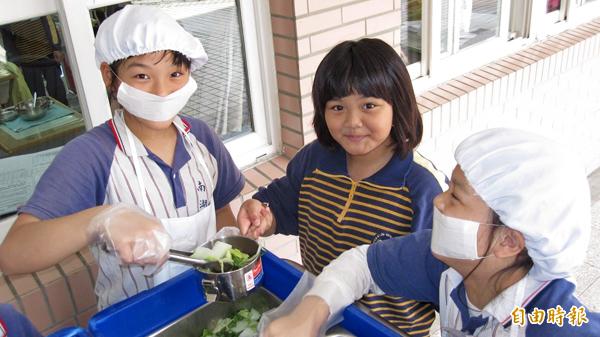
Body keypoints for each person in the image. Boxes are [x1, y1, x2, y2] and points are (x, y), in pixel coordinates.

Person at [0, 5, 244, 309]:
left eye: (175, 74)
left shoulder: (202, 138)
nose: (162, 91)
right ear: (109, 75)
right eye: (142, 76)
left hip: (207, 306)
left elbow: (221, 209)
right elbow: (12, 254)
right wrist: (98, 219)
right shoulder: (91, 156)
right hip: (136, 319)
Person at [263, 128, 600, 337]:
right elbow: (361, 264)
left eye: (455, 196)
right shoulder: (448, 264)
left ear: (509, 241)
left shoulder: (555, 323)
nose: (438, 201)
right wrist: (309, 315)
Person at [236, 38, 444, 336]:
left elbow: (441, 275)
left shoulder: (419, 188)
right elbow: (282, 204)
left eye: (369, 105)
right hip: (318, 316)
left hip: (388, 329)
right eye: (337, 107)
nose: (352, 122)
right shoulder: (314, 160)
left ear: (398, 105)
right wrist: (262, 214)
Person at [0, 15, 68, 105]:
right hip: (27, 60)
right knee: (36, 97)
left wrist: (56, 47)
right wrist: (15, 62)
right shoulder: (8, 13)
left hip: (48, 56)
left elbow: (50, 23)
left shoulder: (37, 6)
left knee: (58, 92)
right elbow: (7, 39)